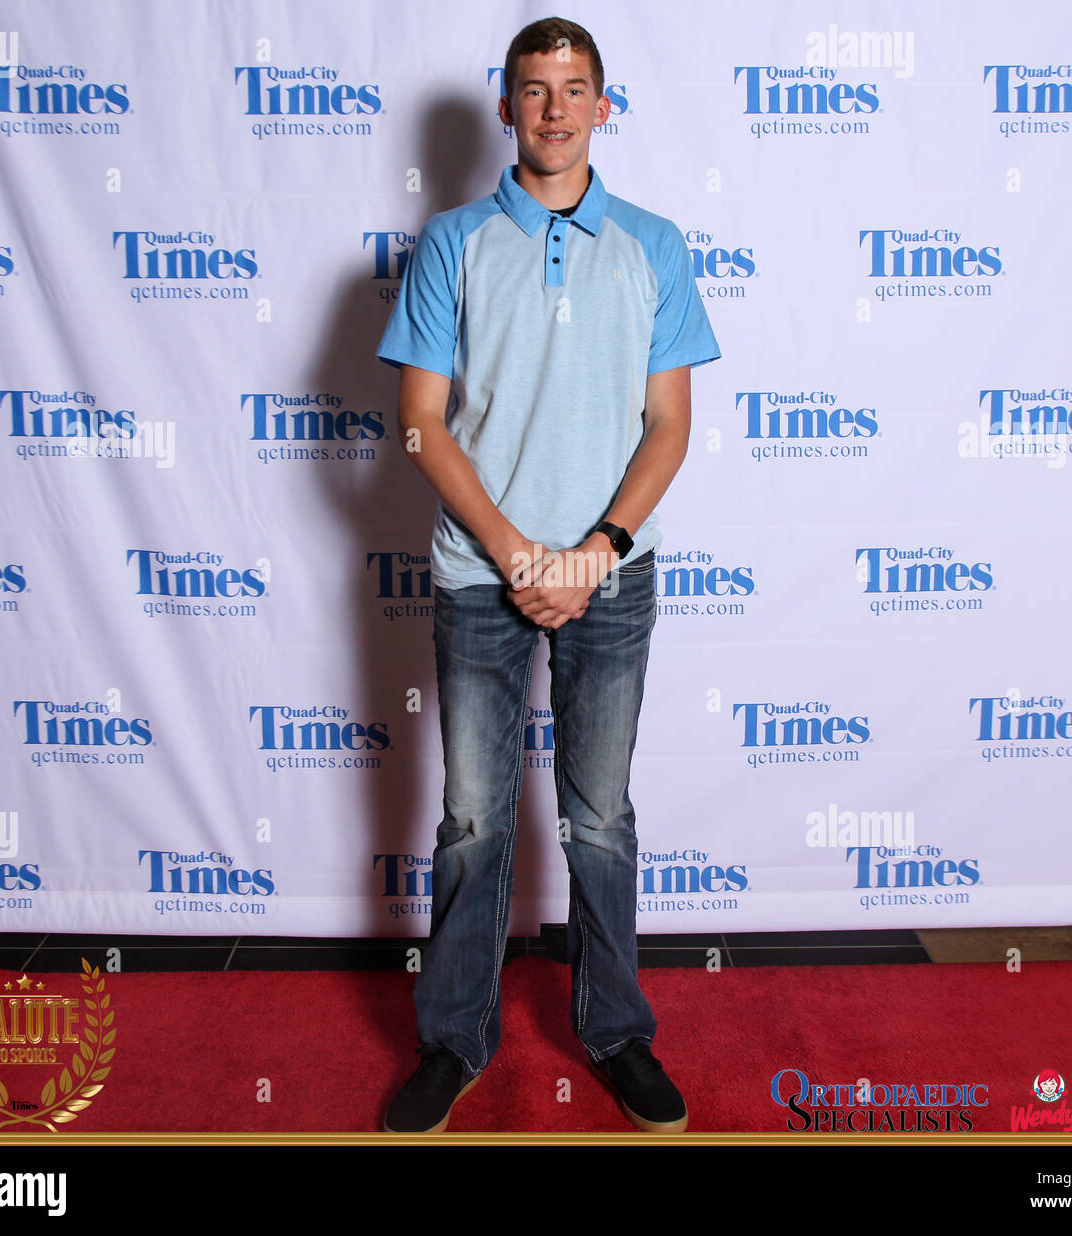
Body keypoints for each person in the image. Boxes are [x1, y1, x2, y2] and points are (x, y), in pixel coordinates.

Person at [376, 15, 720, 1133]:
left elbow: (667, 424)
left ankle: (617, 1034)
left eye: (575, 89)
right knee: (474, 818)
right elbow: (422, 424)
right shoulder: (453, 242)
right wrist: (518, 552)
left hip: (612, 577)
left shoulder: (655, 243)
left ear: (602, 106)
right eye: (535, 89)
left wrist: (596, 549)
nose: (556, 108)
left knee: (601, 821)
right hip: (481, 575)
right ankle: (453, 1039)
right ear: (505, 107)